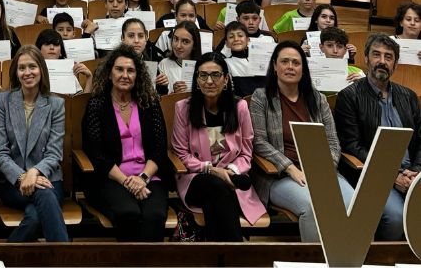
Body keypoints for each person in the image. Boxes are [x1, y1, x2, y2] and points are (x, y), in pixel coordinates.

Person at [250, 41, 354, 242]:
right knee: (312, 207)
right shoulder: (261, 98)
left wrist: (324, 169)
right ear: (274, 66)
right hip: (280, 176)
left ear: (303, 69)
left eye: (296, 63)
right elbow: (259, 141)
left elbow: (333, 141)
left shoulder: (317, 99)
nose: (290, 66)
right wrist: (290, 168)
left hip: (321, 171)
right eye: (285, 61)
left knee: (352, 205)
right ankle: (312, 262)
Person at [333, 34, 421, 241]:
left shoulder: (408, 96)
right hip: (371, 173)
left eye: (388, 57)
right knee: (396, 218)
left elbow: (420, 141)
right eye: (377, 55)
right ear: (366, 58)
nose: (382, 61)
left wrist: (416, 171)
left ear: (395, 64)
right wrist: (392, 174)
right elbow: (352, 146)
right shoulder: (350, 96)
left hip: (411, 174)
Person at [171, 52, 265, 242]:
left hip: (230, 178)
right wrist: (212, 170)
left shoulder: (240, 108)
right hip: (196, 178)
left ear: (225, 79)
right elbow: (181, 153)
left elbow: (246, 152)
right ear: (196, 79)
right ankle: (235, 251)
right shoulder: (183, 108)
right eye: (203, 75)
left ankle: (218, 255)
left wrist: (229, 171)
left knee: (217, 194)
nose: (209, 81)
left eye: (215, 75)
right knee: (215, 185)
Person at [81, 44, 170, 242]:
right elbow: (96, 154)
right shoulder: (97, 104)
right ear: (109, 73)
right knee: (128, 213)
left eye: (130, 70)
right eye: (119, 69)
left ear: (138, 75)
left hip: (148, 176)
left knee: (154, 215)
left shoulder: (150, 102)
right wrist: (128, 182)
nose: (125, 75)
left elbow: (159, 148)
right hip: (111, 177)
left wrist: (143, 178)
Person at [0, 45, 70, 242]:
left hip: (48, 178)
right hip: (12, 183)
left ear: (41, 70)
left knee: (35, 218)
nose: (27, 72)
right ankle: (67, 259)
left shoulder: (56, 104)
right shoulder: (3, 101)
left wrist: (34, 173)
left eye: (32, 67)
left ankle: (3, 256)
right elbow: (0, 152)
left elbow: (54, 153)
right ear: (16, 73)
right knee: (45, 197)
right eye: (22, 68)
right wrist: (22, 176)